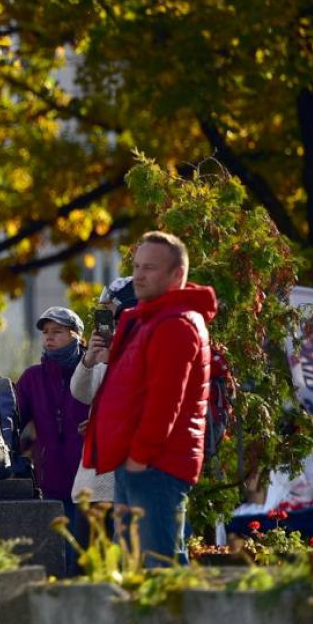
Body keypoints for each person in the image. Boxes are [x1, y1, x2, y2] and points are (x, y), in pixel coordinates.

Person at [83, 231, 217, 567]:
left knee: (161, 570)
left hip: (155, 466)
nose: (138, 275)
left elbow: (164, 404)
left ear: (176, 275)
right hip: (140, 465)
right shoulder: (151, 319)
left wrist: (138, 459)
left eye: (150, 268)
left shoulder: (175, 324)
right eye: (137, 266)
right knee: (137, 571)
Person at [16, 306, 90, 572]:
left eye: (57, 332)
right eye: (46, 332)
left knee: (86, 556)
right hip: (52, 479)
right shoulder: (32, 377)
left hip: (91, 478)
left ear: (77, 337)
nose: (49, 337)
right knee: (58, 556)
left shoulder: (95, 371)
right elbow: (15, 422)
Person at [69, 277, 137, 562]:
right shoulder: (103, 351)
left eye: (110, 312)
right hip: (93, 480)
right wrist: (89, 360)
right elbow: (81, 394)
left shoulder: (141, 345)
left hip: (126, 480)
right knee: (84, 565)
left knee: (122, 562)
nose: (106, 321)